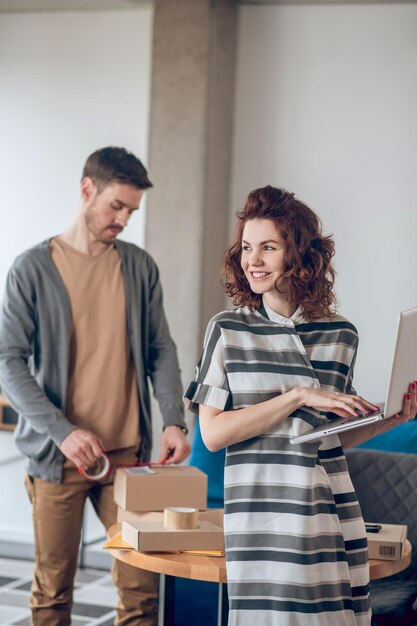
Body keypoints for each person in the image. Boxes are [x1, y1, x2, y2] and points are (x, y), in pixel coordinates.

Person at [184, 186, 417, 626]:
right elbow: (213, 435)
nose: (252, 260)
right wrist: (295, 396)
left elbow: (328, 438)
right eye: (247, 248)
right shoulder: (228, 329)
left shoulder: (341, 334)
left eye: (268, 248)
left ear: (301, 255)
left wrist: (389, 420)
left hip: (329, 510)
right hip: (262, 514)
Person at [0, 146, 191, 626]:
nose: (124, 219)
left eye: (131, 210)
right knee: (52, 594)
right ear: (87, 190)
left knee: (141, 592)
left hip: (130, 459)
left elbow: (160, 349)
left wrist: (173, 419)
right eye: (116, 206)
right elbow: (7, 359)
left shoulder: (139, 267)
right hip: (57, 462)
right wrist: (63, 431)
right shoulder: (31, 270)